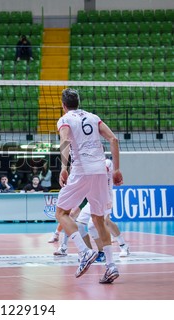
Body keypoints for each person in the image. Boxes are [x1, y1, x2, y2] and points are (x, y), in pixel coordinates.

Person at [55, 88, 123, 284]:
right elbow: (114, 139)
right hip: (102, 170)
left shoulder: (65, 119)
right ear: (78, 101)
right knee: (98, 218)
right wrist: (117, 170)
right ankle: (110, 266)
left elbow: (66, 140)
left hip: (81, 169)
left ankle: (84, 252)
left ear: (63, 104)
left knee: (61, 213)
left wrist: (63, 168)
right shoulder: (93, 117)